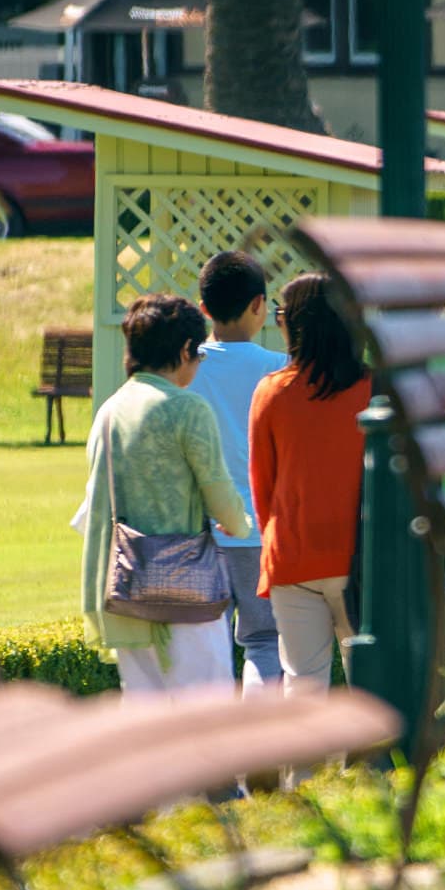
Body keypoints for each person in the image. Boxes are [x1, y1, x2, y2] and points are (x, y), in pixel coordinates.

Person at [80, 294, 251, 697]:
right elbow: (217, 490)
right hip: (186, 590)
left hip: (124, 587)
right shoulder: (187, 408)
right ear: (185, 350)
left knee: (147, 721)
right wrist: (239, 522)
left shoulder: (109, 410)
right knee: (207, 716)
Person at [249, 273, 375, 699]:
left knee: (302, 689)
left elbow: (262, 488)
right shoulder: (375, 390)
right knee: (368, 691)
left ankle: (301, 771)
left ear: (296, 325)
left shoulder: (271, 392)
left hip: (292, 555)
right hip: (362, 562)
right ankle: (369, 768)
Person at [192, 251, 288, 697]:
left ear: (204, 308)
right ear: (259, 305)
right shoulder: (278, 367)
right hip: (257, 531)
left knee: (205, 653)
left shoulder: (185, 367)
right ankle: (264, 755)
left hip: (199, 532)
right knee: (264, 643)